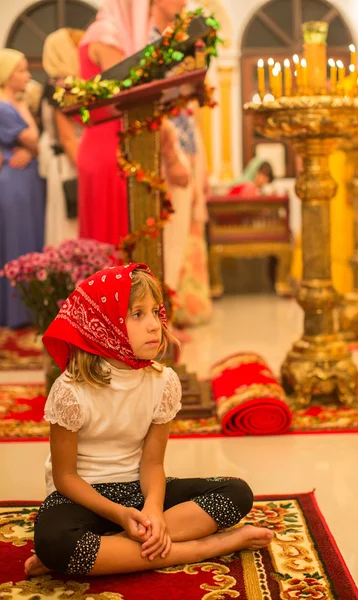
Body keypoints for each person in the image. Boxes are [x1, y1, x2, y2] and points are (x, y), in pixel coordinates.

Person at [24, 263, 272, 577]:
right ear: (104, 323)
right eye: (138, 314)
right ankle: (206, 547)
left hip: (139, 491)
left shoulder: (163, 381)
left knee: (237, 493)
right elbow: (65, 477)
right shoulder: (70, 390)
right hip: (83, 499)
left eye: (156, 311)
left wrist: (152, 509)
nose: (155, 325)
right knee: (54, 541)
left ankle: (109, 548)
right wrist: (120, 514)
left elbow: (152, 465)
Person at [77, 0, 188, 247]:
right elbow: (128, 97)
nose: (148, 16)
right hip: (110, 149)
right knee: (117, 240)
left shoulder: (111, 36)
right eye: (146, 9)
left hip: (121, 142)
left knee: (129, 236)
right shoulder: (106, 36)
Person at [151, 0, 213, 327]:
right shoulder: (151, 45)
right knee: (165, 245)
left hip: (177, 152)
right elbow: (158, 108)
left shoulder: (167, 46)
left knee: (174, 247)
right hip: (164, 154)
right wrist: (173, 158)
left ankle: (165, 319)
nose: (183, 3)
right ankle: (159, 321)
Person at [0, 49, 45, 328]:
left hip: (26, 180)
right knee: (18, 244)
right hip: (15, 183)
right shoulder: (5, 107)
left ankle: (26, 310)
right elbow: (35, 140)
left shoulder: (12, 104)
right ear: (7, 75)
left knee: (28, 242)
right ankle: (17, 314)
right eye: (21, 71)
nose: (27, 76)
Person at [40, 28, 84, 246]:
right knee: (70, 232)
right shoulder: (64, 87)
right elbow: (67, 137)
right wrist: (86, 171)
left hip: (64, 164)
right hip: (70, 166)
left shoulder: (51, 84)